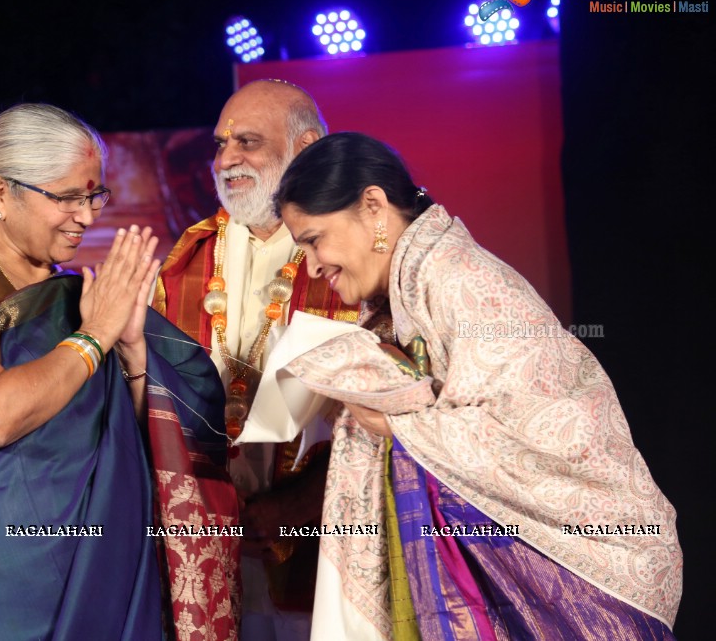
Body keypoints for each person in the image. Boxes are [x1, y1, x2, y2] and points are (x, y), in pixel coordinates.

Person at [273, 131, 683, 639]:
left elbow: (549, 438)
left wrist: (402, 424)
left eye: (315, 239)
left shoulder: (462, 281)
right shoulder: (404, 299)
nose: (312, 265)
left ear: (373, 206)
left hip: (593, 566)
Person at [0, 103, 239, 640]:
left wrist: (130, 352)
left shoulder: (78, 297)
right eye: (67, 197)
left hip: (83, 559)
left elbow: (116, 436)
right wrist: (94, 336)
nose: (87, 215)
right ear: (1, 193)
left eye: (94, 195)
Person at [153, 80, 356, 640]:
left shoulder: (353, 252)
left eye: (247, 141)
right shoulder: (183, 261)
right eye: (220, 144)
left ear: (307, 146)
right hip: (202, 541)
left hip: (320, 539)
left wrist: (297, 504)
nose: (227, 159)